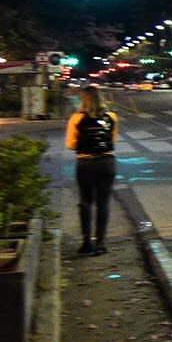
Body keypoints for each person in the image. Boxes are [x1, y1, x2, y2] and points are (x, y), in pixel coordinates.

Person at [65, 85, 118, 255]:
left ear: (83, 100)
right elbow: (112, 140)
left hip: (85, 163)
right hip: (107, 162)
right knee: (103, 203)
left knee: (86, 202)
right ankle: (100, 243)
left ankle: (86, 242)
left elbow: (70, 144)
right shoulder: (111, 117)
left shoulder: (76, 118)